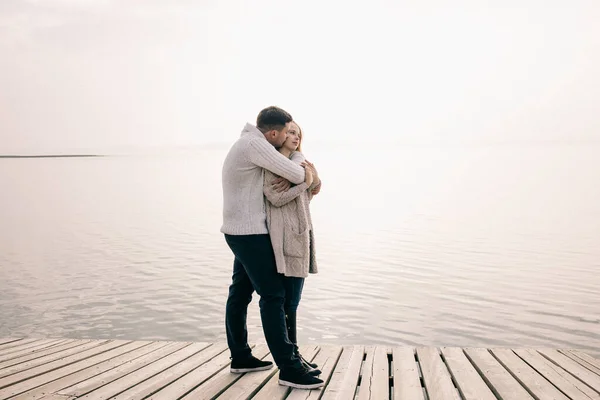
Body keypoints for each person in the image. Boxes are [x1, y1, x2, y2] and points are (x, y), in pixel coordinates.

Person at [221, 106, 324, 389]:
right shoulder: (257, 144)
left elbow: (297, 176)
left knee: (240, 292)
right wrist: (308, 174)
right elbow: (294, 172)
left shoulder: (246, 142)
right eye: (286, 133)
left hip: (240, 230)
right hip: (250, 233)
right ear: (275, 133)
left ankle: (241, 357)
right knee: (273, 295)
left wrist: (308, 176)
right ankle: (289, 368)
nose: (289, 138)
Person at [263, 121, 321, 373]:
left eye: (299, 133)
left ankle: (295, 354)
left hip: (302, 233)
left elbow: (315, 188)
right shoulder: (272, 164)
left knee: (293, 302)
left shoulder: (301, 162)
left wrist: (310, 178)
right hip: (284, 237)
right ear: (281, 134)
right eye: (291, 132)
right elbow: (275, 198)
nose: (295, 136)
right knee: (287, 302)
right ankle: (291, 358)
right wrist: (303, 183)